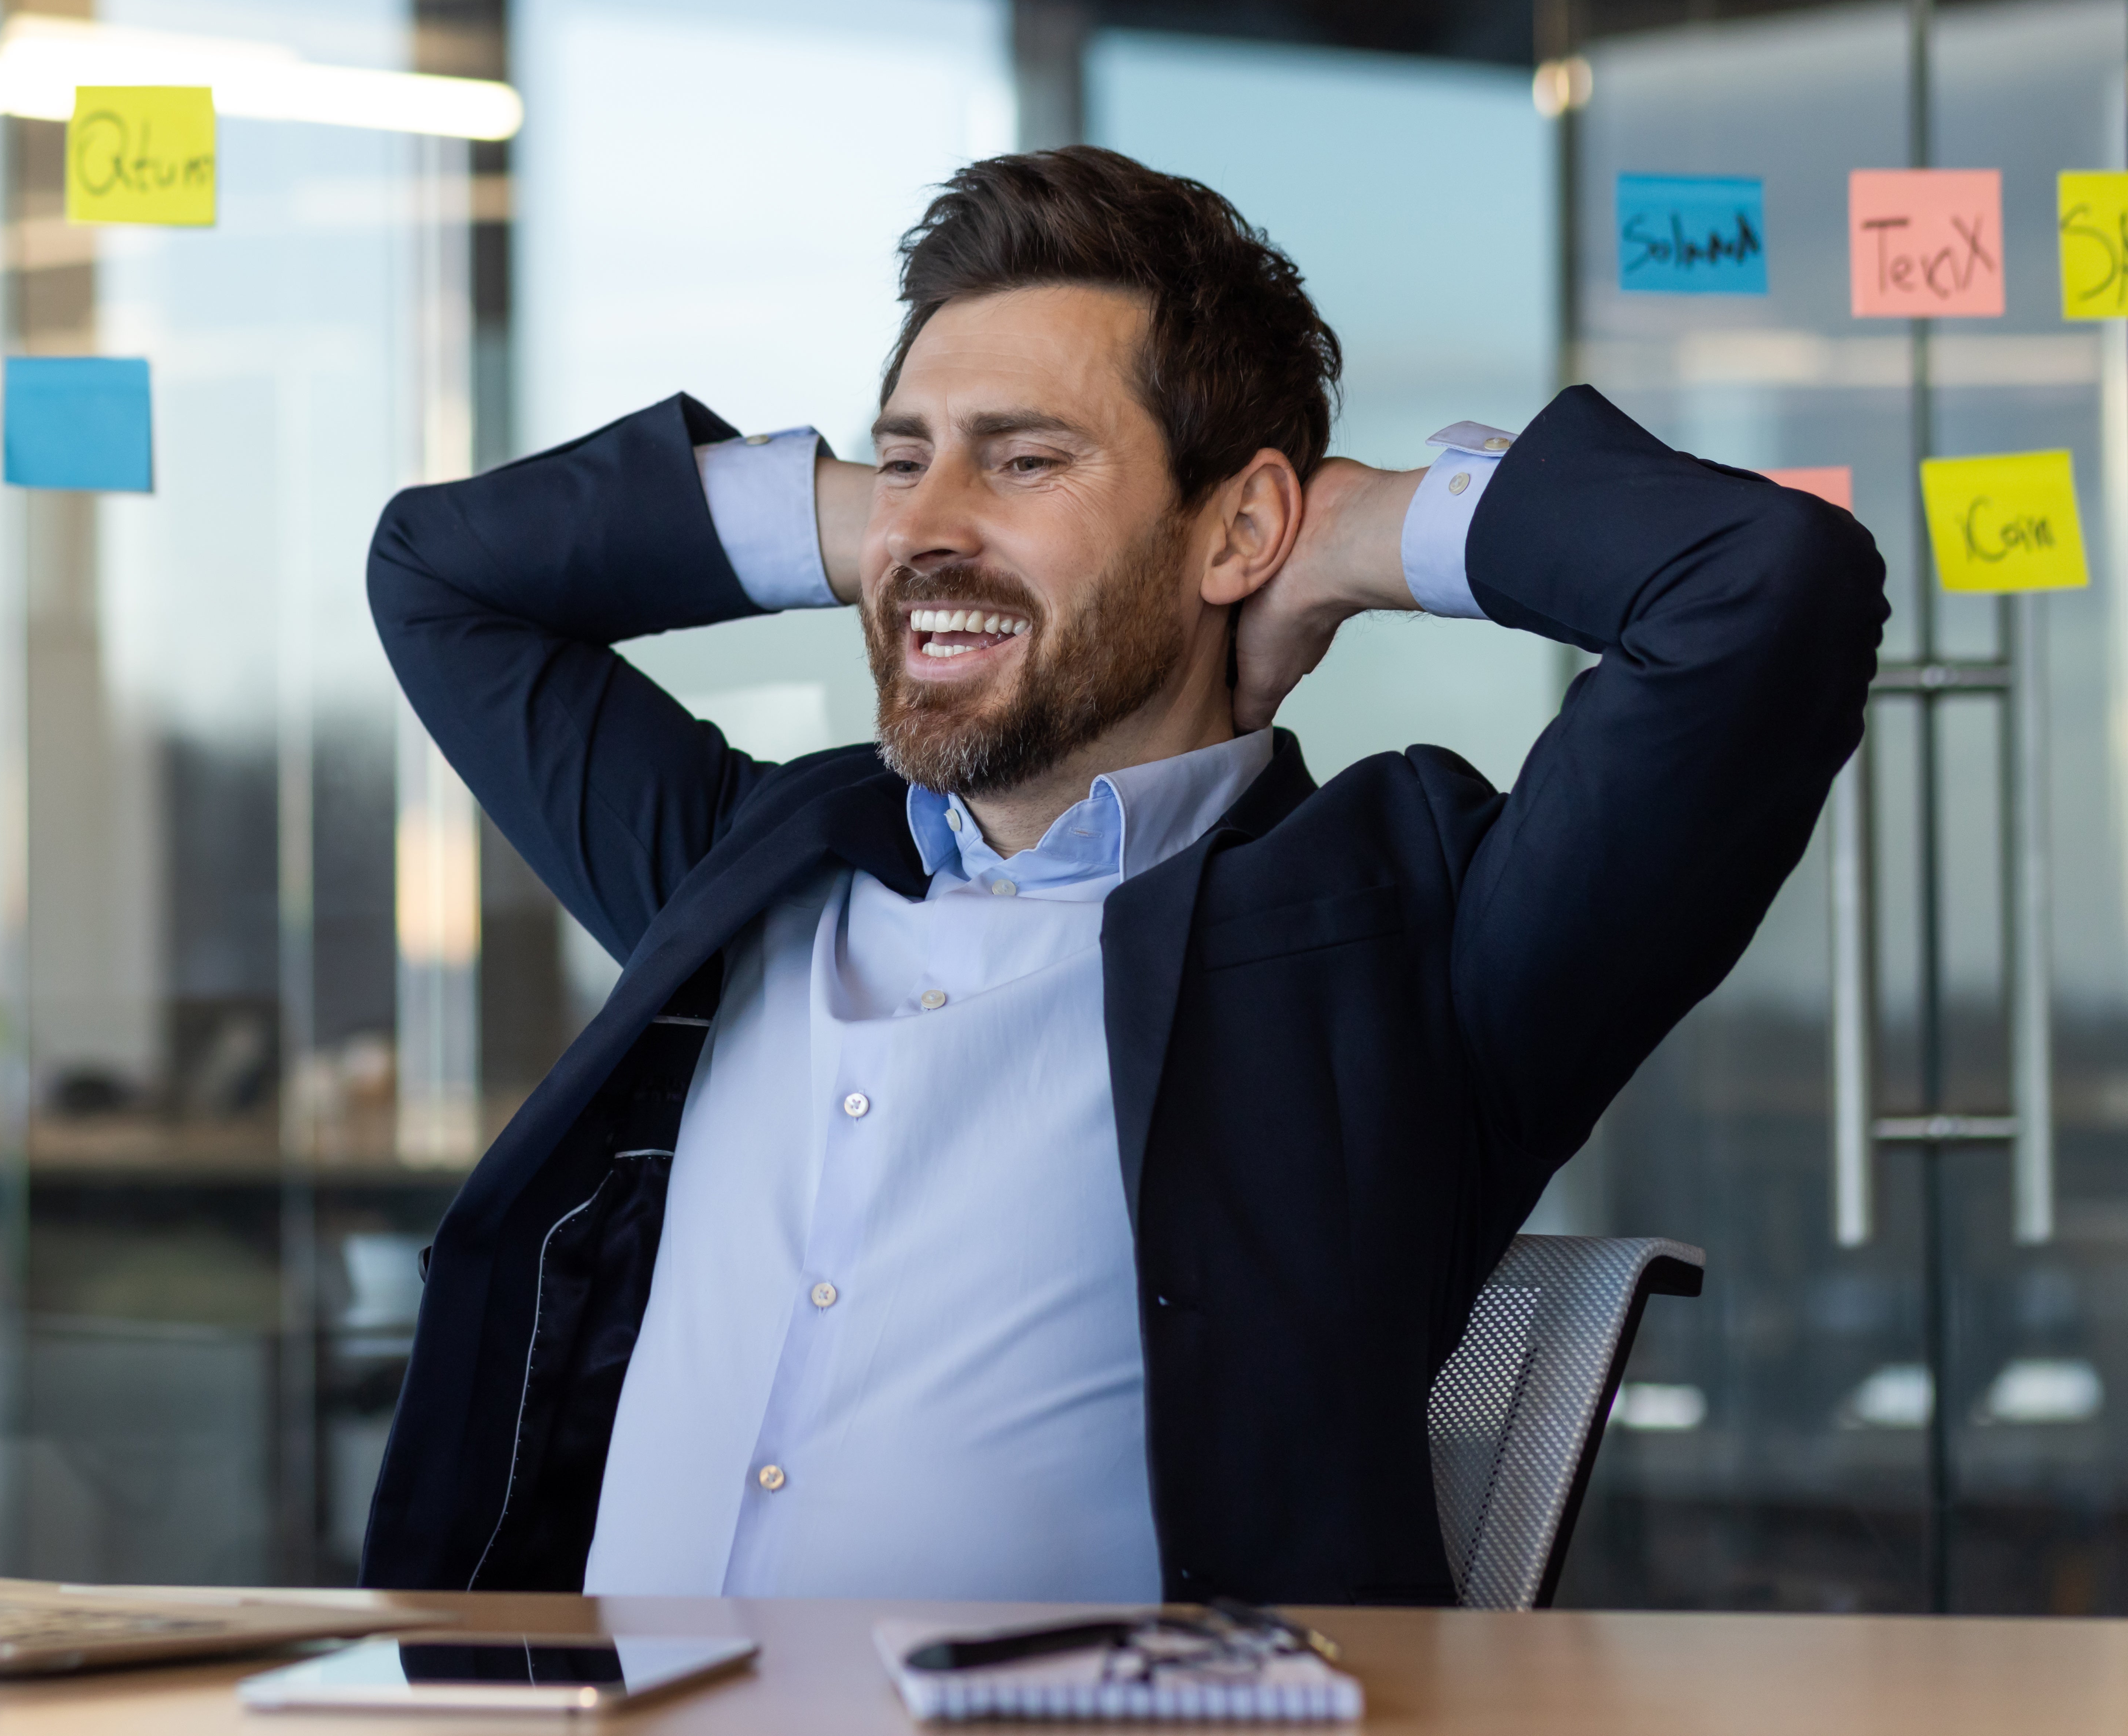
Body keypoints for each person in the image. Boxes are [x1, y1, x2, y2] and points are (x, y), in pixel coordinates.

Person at [358, 146, 1885, 1607]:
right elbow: (443, 574)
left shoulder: (1413, 939)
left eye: (1028, 457)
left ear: (1237, 525)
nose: (930, 516)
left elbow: (1762, 590)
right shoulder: (744, 867)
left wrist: (1352, 530)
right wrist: (906, 525)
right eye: (905, 453)